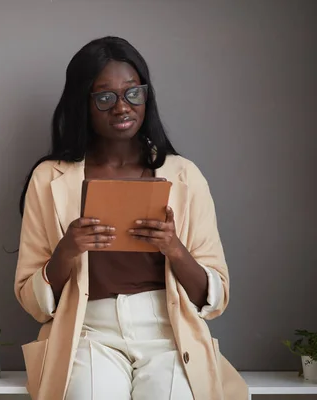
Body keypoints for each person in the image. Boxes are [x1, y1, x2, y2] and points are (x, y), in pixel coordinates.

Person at [13, 36, 248, 400]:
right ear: (84, 104)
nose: (122, 107)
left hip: (169, 334)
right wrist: (67, 249)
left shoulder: (185, 176)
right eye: (105, 97)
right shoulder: (49, 179)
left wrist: (174, 248)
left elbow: (214, 298)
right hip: (88, 333)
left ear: (146, 96)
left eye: (132, 93)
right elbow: (32, 302)